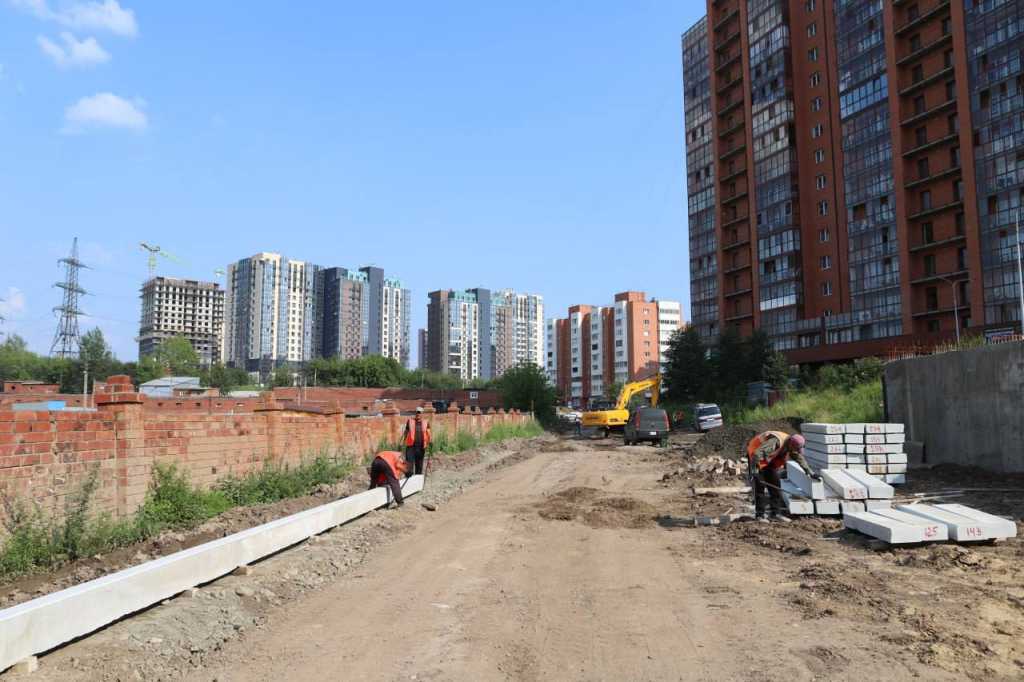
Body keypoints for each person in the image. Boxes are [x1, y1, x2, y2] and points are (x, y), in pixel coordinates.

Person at [746, 431, 817, 522]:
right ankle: (759, 515)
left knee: (776, 486)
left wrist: (811, 473)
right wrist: (754, 471)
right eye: (795, 449)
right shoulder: (776, 442)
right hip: (755, 455)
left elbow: (799, 458)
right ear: (791, 444)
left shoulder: (791, 445)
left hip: (768, 460)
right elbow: (756, 454)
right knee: (760, 486)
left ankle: (775, 514)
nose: (795, 451)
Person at [402, 407, 432, 475]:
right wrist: (402, 442)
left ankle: (417, 480)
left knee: (419, 466)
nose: (418, 414)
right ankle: (409, 480)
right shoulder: (410, 421)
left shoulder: (426, 422)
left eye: (419, 412)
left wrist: (430, 441)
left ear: (422, 414)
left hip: (421, 447)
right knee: (409, 466)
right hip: (411, 447)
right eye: (417, 412)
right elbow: (406, 432)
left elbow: (429, 433)